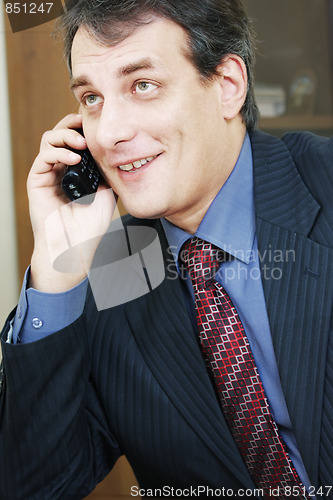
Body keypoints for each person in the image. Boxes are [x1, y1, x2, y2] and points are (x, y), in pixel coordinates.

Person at [1, 0, 332, 498]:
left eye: (143, 85)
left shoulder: (323, 184)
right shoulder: (111, 266)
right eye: (91, 98)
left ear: (227, 87)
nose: (110, 133)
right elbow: (33, 485)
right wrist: (56, 268)